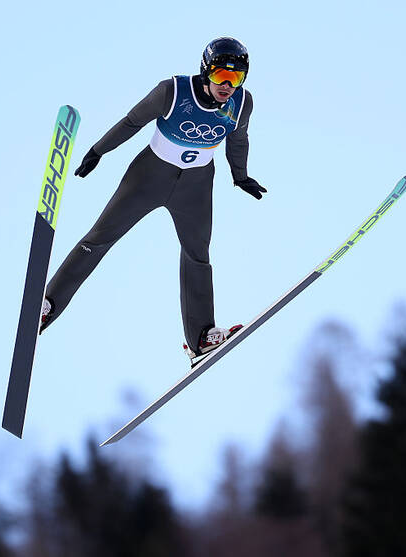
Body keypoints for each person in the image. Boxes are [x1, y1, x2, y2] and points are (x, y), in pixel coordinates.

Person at [40, 37, 266, 361]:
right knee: (100, 237)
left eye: (236, 77)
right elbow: (132, 121)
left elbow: (239, 139)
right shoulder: (172, 92)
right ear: (206, 71)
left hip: (196, 186)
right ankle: (47, 305)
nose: (227, 85)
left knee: (198, 255)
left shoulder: (242, 103)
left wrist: (240, 176)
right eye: (221, 75)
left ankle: (201, 337)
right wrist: (98, 151)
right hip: (149, 176)